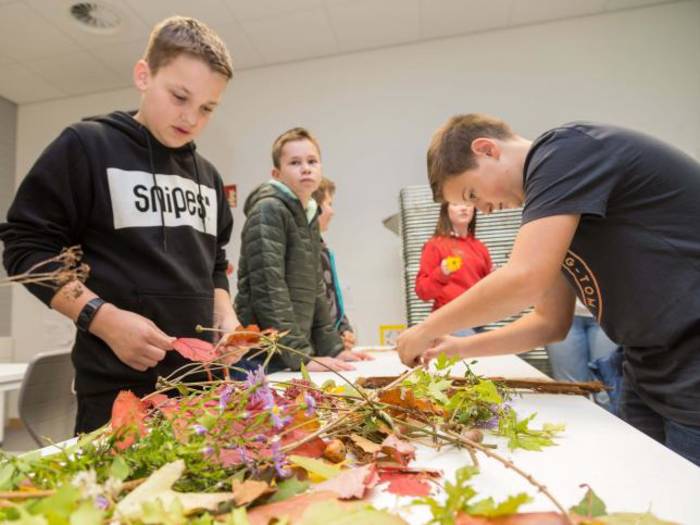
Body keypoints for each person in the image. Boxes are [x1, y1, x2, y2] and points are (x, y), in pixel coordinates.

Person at [397, 113, 700, 466]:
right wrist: (459, 347)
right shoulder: (556, 208)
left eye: (472, 193)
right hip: (649, 364)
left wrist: (428, 328)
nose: (483, 210)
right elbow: (549, 322)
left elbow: (525, 278)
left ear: (487, 149)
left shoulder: (567, 149)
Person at [0, 16, 238, 434]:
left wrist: (226, 311)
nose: (191, 118)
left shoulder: (208, 176)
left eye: (207, 108)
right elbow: (26, 248)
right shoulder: (86, 146)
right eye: (180, 96)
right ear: (143, 75)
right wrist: (100, 317)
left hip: (201, 391)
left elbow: (214, 261)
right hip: (117, 395)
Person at [235, 128, 368, 373]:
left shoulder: (307, 215)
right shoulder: (269, 210)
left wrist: (334, 349)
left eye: (312, 161)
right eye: (295, 162)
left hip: (289, 353)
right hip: (264, 356)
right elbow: (269, 289)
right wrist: (301, 357)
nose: (305, 168)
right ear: (276, 174)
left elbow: (317, 291)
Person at [415, 201, 492, 336]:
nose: (463, 208)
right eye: (456, 204)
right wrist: (442, 273)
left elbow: (489, 291)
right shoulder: (435, 246)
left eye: (468, 204)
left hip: (478, 321)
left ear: (474, 209)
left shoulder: (480, 248)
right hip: (449, 321)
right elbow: (423, 292)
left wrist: (496, 278)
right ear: (446, 210)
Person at [311, 177, 360, 352]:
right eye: (328, 204)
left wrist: (344, 329)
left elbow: (331, 299)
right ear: (314, 208)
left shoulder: (321, 247)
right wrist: (332, 341)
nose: (332, 212)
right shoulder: (307, 251)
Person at [546, 298, 620, 412]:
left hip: (609, 310)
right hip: (560, 308)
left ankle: (610, 429)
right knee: (570, 391)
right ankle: (576, 428)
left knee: (607, 391)